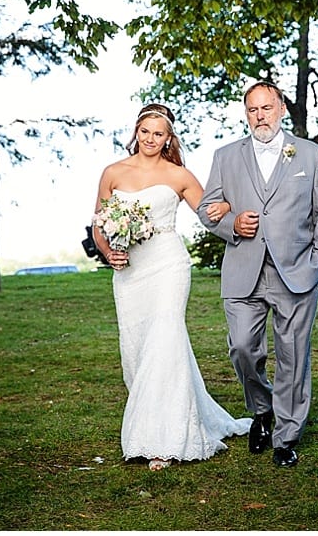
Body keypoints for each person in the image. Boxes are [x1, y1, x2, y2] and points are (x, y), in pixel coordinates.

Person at [93, 103, 251, 471]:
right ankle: (153, 417)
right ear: (136, 132)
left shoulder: (179, 175)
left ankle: (164, 440)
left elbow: (210, 210)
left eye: (158, 133)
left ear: (168, 138)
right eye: (145, 132)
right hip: (130, 271)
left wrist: (231, 209)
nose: (150, 139)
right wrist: (108, 253)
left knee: (166, 340)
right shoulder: (113, 172)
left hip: (168, 264)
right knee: (136, 350)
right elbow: (99, 223)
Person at [198, 81, 318, 468]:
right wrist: (231, 224)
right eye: (252, 110)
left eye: (266, 108)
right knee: (242, 348)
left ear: (280, 110)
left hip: (296, 273)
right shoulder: (226, 156)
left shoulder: (310, 155)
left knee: (293, 356)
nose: (260, 116)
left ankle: (286, 436)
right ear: (246, 114)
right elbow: (206, 207)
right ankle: (261, 410)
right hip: (243, 268)